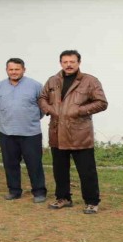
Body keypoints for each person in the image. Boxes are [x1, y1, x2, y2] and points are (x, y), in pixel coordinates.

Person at [39, 50, 107, 214]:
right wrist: (50, 109)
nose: (68, 65)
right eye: (65, 62)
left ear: (78, 62)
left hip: (79, 134)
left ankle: (92, 201)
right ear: (60, 63)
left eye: (72, 62)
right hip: (56, 133)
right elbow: (42, 98)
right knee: (59, 170)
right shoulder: (52, 80)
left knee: (86, 171)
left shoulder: (90, 81)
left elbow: (102, 102)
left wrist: (78, 110)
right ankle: (63, 198)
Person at [0, 58, 47, 203]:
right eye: (11, 69)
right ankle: (14, 190)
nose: (14, 72)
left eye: (17, 69)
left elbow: (43, 107)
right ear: (6, 70)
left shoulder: (35, 86)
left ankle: (39, 191)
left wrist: (31, 119)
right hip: (7, 133)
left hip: (30, 133)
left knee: (34, 163)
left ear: (24, 69)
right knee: (10, 164)